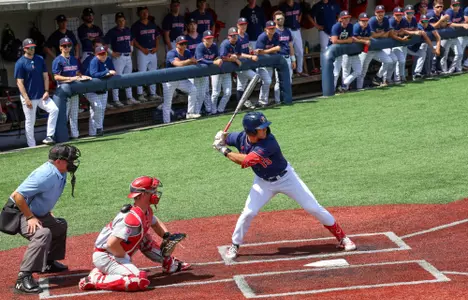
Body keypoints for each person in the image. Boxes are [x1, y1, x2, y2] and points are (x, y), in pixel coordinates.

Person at [212, 112, 356, 260]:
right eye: (261, 128)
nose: (265, 130)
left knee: (313, 207)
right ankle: (235, 245)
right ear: (251, 131)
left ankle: (343, 238)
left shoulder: (269, 142)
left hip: (286, 178)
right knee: (248, 212)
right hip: (263, 182)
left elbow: (246, 161)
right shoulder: (241, 138)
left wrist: (223, 149)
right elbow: (227, 138)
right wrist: (221, 137)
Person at [78, 176, 191, 292]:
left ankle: (168, 263)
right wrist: (126, 260)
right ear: (142, 194)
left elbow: (155, 223)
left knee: (145, 239)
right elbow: (111, 244)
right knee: (138, 280)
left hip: (117, 252)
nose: (156, 194)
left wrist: (167, 236)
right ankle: (96, 279)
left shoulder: (145, 211)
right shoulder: (131, 219)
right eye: (153, 191)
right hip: (107, 255)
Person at [9, 144, 81, 293]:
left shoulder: (60, 171)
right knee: (43, 233)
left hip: (37, 212)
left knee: (59, 226)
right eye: (70, 160)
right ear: (59, 161)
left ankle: (48, 263)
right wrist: (30, 217)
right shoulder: (45, 174)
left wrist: (47, 212)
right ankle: (23, 278)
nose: (72, 163)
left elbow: (43, 195)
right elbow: (17, 196)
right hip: (19, 212)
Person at [14, 38, 58, 147]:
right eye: (29, 48)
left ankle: (49, 136)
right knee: (30, 121)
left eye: (33, 47)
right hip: (29, 97)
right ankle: (32, 145)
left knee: (54, 109)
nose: (32, 49)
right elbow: (19, 82)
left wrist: (47, 91)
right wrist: (26, 98)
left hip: (41, 95)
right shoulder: (20, 63)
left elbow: (45, 76)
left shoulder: (39, 59)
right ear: (25, 49)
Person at [52, 38, 91, 140]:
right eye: (64, 46)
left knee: (74, 114)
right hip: (63, 91)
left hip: (74, 89)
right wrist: (70, 78)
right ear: (60, 47)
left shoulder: (74, 59)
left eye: (69, 45)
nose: (67, 48)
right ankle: (62, 137)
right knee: (63, 115)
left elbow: (77, 73)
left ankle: (75, 135)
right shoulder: (57, 60)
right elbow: (56, 77)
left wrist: (82, 77)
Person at [104, 12, 138, 107]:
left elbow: (131, 40)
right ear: (116, 21)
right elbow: (104, 44)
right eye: (119, 21)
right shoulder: (112, 31)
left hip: (128, 56)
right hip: (118, 57)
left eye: (122, 20)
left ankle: (129, 98)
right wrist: (112, 53)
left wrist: (131, 49)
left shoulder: (128, 30)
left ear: (125, 21)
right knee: (117, 78)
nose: (121, 22)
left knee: (129, 78)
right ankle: (116, 99)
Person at [163, 35, 198, 123]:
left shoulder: (187, 52)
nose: (184, 46)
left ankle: (190, 113)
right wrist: (189, 61)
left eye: (185, 43)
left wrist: (191, 61)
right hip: (169, 80)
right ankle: (166, 123)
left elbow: (193, 60)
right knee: (168, 103)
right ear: (177, 45)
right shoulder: (171, 53)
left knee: (193, 89)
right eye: (181, 44)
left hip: (181, 79)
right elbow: (178, 64)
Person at [131, 6, 162, 103]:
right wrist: (141, 48)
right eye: (142, 12)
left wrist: (157, 47)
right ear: (139, 14)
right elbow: (133, 40)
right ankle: (140, 94)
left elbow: (157, 37)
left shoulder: (152, 24)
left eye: (146, 12)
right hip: (142, 51)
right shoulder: (136, 26)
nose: (145, 14)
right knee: (142, 73)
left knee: (153, 72)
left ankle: (153, 93)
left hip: (152, 51)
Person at [85, 45, 116, 137]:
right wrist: (107, 73)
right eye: (101, 54)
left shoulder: (108, 60)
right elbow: (93, 74)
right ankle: (99, 128)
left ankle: (93, 133)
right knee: (98, 107)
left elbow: (113, 70)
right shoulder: (94, 61)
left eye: (104, 53)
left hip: (102, 89)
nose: (103, 56)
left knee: (99, 110)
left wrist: (110, 72)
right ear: (96, 55)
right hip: (90, 89)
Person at [214, 28, 243, 114]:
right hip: (217, 70)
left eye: (236, 35)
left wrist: (235, 57)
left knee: (228, 92)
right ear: (228, 37)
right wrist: (234, 60)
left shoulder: (238, 43)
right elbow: (222, 57)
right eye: (232, 36)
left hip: (226, 71)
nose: (234, 37)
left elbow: (239, 54)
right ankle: (211, 111)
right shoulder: (225, 44)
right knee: (216, 93)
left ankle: (220, 110)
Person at [195, 30, 223, 115]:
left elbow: (217, 55)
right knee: (197, 93)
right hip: (196, 72)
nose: (210, 40)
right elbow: (201, 60)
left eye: (211, 38)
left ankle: (208, 110)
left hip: (205, 73)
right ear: (203, 39)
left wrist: (218, 58)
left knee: (205, 92)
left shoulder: (214, 46)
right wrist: (213, 62)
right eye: (207, 39)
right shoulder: (200, 47)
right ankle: (195, 112)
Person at [255, 21, 281, 108]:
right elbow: (259, 52)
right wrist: (273, 49)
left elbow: (278, 49)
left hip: (270, 62)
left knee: (267, 82)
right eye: (270, 28)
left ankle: (263, 101)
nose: (272, 30)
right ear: (266, 29)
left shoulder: (276, 35)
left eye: (273, 28)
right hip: (261, 63)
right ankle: (261, 101)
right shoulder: (262, 37)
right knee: (267, 81)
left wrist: (266, 51)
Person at [368, 5, 396, 86]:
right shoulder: (372, 20)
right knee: (362, 70)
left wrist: (379, 35)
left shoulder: (386, 20)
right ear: (375, 13)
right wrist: (382, 34)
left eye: (382, 12)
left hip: (379, 48)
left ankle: (379, 77)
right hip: (369, 49)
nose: (380, 14)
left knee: (389, 61)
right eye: (378, 12)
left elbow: (388, 34)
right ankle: (358, 87)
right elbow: (373, 35)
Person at [279, 0, 307, 76]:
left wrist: (298, 21)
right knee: (288, 51)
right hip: (287, 30)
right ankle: (289, 72)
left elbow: (300, 13)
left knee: (300, 51)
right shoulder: (282, 6)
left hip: (297, 30)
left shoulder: (297, 5)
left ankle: (299, 71)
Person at [236, 17, 259, 109]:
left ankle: (240, 105)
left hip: (245, 63)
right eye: (241, 24)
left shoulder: (245, 35)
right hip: (239, 64)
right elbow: (237, 54)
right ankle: (245, 101)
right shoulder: (236, 37)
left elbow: (247, 47)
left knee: (241, 85)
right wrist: (250, 56)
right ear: (238, 25)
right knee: (256, 77)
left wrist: (252, 51)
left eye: (244, 24)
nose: (243, 26)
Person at [408, 14, 441, 78]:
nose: (425, 23)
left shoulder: (429, 26)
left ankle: (416, 73)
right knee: (400, 61)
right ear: (420, 21)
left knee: (423, 53)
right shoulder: (418, 26)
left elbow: (438, 37)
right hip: (406, 47)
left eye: (426, 21)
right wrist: (433, 48)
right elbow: (426, 37)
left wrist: (438, 48)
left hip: (415, 48)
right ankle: (397, 78)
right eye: (423, 21)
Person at [273, 11, 296, 100]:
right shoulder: (274, 32)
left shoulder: (287, 31)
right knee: (279, 81)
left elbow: (290, 45)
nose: (281, 20)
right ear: (274, 20)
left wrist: (293, 59)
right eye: (278, 19)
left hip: (287, 57)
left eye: (282, 18)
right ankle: (278, 100)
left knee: (289, 80)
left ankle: (287, 98)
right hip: (279, 58)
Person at [186, 18, 206, 115]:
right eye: (190, 24)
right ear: (188, 26)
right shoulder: (185, 39)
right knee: (193, 91)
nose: (193, 26)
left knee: (202, 92)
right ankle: (191, 112)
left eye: (194, 24)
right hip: (191, 67)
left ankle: (197, 111)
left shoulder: (202, 37)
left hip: (201, 66)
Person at [443, 0, 468, 73]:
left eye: (457, 5)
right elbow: (449, 24)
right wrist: (462, 25)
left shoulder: (460, 11)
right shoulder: (449, 12)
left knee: (459, 53)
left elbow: (462, 21)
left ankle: (453, 70)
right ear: (451, 6)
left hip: (455, 36)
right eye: (454, 5)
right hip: (446, 37)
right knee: (444, 56)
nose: (456, 7)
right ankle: (443, 71)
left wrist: (464, 23)